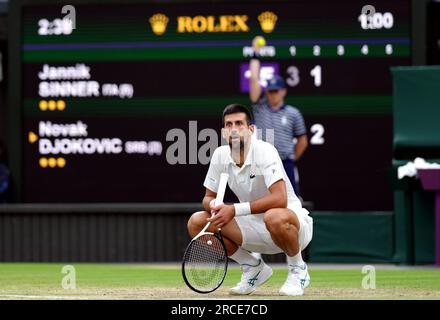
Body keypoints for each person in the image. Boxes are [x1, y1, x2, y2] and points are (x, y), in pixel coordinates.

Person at [187, 104, 313, 296]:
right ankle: (252, 266)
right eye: (229, 125)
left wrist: (234, 210)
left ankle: (298, 269)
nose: (234, 129)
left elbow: (280, 198)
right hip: (252, 230)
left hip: (291, 227)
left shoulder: (265, 150)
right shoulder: (220, 155)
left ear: (251, 130)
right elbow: (208, 197)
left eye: (239, 123)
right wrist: (214, 205)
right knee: (197, 222)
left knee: (274, 216)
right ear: (223, 132)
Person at [249, 37, 308, 197]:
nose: (272, 94)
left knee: (290, 200)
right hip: (261, 162)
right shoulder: (260, 108)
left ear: (283, 91)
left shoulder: (293, 113)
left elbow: (302, 140)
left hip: (285, 163)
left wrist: (292, 157)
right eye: (270, 91)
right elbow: (254, 79)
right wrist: (255, 54)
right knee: (260, 199)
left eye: (276, 91)